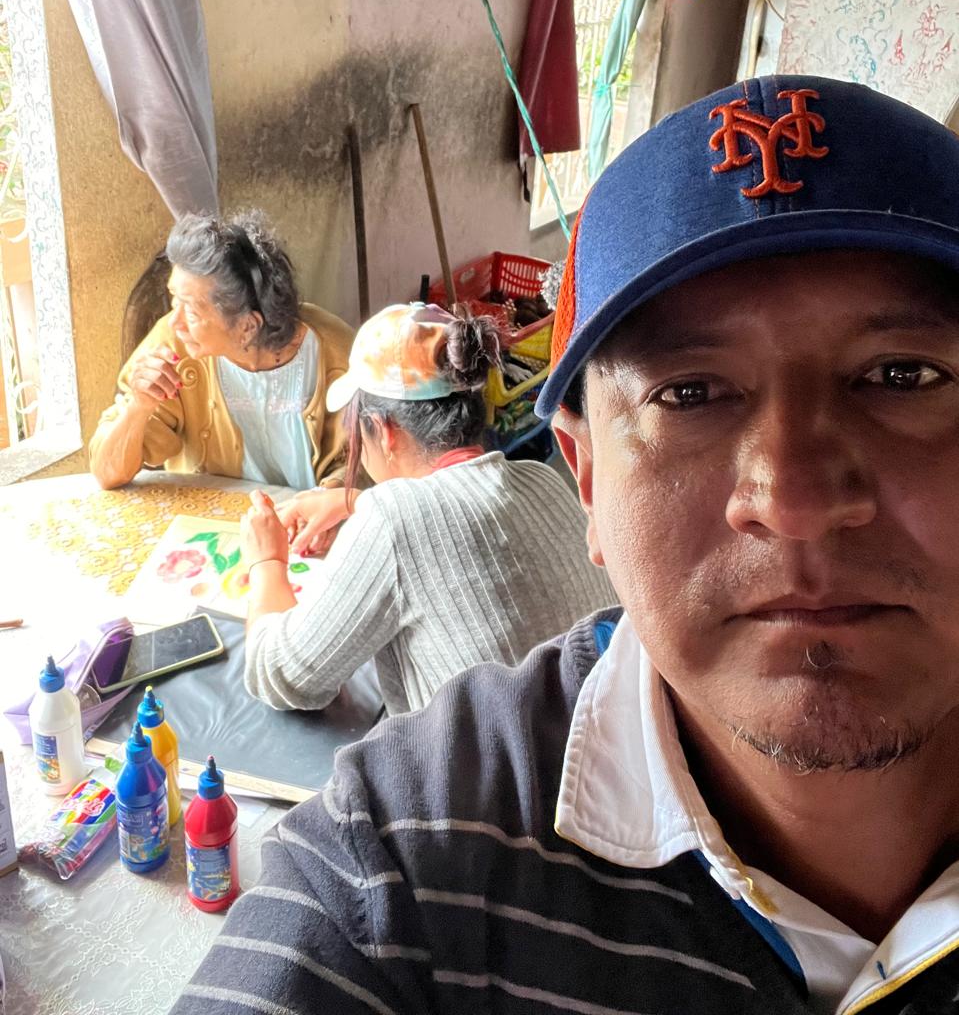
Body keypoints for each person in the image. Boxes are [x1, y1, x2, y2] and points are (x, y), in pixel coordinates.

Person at [170, 75, 959, 1015]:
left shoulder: (384, 504)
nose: (792, 501)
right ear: (582, 477)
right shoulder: (400, 858)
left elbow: (287, 673)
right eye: (688, 394)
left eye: (902, 376)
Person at [239, 302, 611, 715]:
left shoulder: (392, 520)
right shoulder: (541, 479)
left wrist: (266, 561)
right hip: (594, 741)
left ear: (384, 431)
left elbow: (282, 675)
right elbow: (459, 530)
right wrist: (353, 502)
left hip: (495, 759)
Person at [89, 212, 355, 491]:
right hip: (216, 518)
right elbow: (107, 474)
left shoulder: (336, 352)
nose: (175, 322)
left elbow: (370, 462)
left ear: (247, 326)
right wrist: (139, 406)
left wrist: (328, 496)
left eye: (192, 311)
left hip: (309, 516)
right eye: (174, 299)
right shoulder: (173, 345)